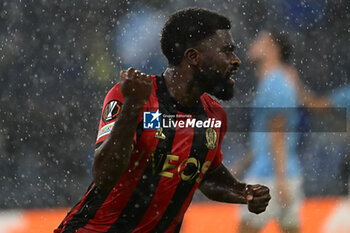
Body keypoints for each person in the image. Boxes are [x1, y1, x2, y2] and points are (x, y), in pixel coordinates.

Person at [55, 8, 271, 233]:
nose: (236, 61)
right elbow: (104, 175)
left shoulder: (214, 115)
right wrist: (131, 108)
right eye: (226, 51)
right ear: (194, 57)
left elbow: (203, 174)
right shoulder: (134, 96)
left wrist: (241, 191)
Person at [238, 31, 303, 233]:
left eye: (261, 41)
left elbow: (278, 134)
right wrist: (240, 165)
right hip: (281, 171)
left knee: (245, 229)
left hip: (269, 176)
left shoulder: (275, 84)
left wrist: (280, 179)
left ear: (273, 49)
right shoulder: (277, 81)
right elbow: (268, 137)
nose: (253, 44)